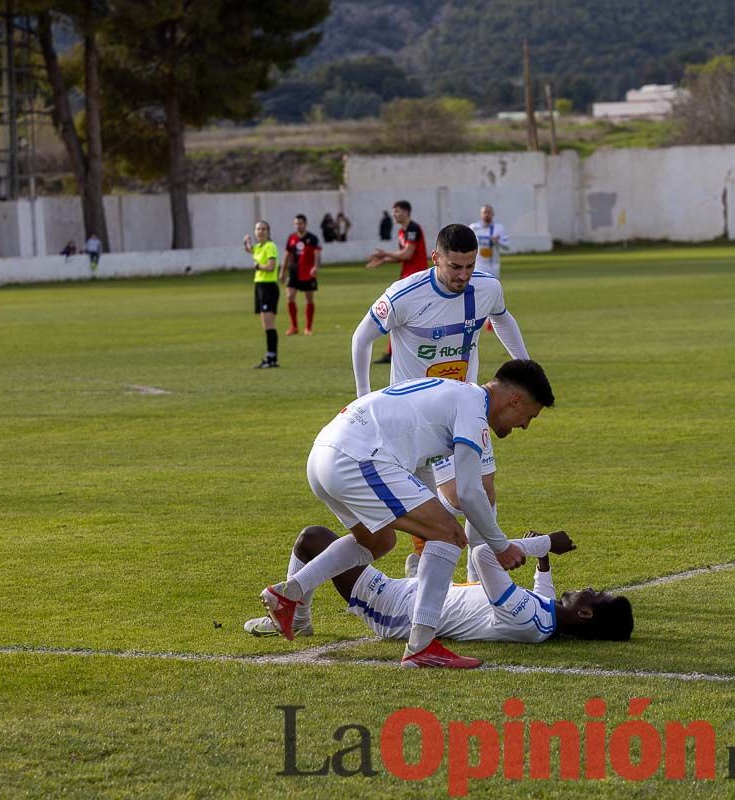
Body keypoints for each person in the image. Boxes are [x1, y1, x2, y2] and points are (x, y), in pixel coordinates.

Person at [258, 359, 555, 669]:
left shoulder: (454, 392)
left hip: (324, 453)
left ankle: (290, 592)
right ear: (515, 400)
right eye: (529, 416)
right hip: (357, 457)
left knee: (377, 542)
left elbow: (423, 469)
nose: (524, 425)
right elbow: (470, 491)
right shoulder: (473, 409)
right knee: (450, 535)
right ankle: (421, 646)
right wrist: (500, 545)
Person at [352, 223, 531, 579]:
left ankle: (476, 580)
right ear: (436, 258)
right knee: (449, 501)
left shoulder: (486, 288)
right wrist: (364, 398)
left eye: (469, 266)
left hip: (465, 408)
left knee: (483, 492)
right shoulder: (405, 295)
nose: (463, 275)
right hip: (415, 418)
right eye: (455, 267)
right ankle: (423, 558)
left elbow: (503, 318)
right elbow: (361, 337)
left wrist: (526, 368)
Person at [246, 527, 633, 643]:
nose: (590, 587)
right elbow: (543, 594)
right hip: (416, 593)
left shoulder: (528, 620)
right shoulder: (544, 617)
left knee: (313, 539)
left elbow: (483, 556)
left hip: (399, 611)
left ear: (585, 613)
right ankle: (298, 615)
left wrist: (543, 543)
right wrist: (543, 562)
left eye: (595, 594)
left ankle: (296, 616)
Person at [365, 200, 429, 364]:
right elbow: (404, 257)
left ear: (407, 212)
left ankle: (396, 352)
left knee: (400, 313)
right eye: (393, 211)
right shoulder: (402, 232)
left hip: (416, 279)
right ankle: (394, 352)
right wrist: (385, 259)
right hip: (407, 278)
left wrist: (384, 254)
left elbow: (407, 254)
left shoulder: (413, 229)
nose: (394, 214)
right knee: (401, 314)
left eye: (397, 211)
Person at [245, 220, 281, 369]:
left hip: (268, 287)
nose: (260, 231)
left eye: (263, 229)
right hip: (259, 286)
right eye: (258, 229)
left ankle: (272, 358)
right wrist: (247, 244)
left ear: (268, 231)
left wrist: (258, 266)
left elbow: (271, 267)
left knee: (269, 323)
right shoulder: (258, 247)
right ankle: (269, 356)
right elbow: (251, 251)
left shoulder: (270, 246)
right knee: (265, 324)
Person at [283, 214, 321, 336]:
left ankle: (308, 328)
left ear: (305, 224)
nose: (298, 225)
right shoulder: (291, 238)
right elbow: (287, 255)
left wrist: (316, 267)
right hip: (294, 271)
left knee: (309, 298)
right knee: (289, 296)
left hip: (308, 272)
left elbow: (317, 254)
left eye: (300, 223)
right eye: (296, 223)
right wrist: (282, 271)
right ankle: (294, 326)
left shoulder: (312, 238)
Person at [469, 204, 511, 279]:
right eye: (484, 212)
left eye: (489, 212)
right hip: (478, 266)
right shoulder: (473, 228)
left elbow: (507, 246)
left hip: (493, 266)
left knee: (493, 288)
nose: (487, 214)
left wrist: (498, 241)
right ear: (481, 214)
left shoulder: (499, 228)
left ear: (493, 214)